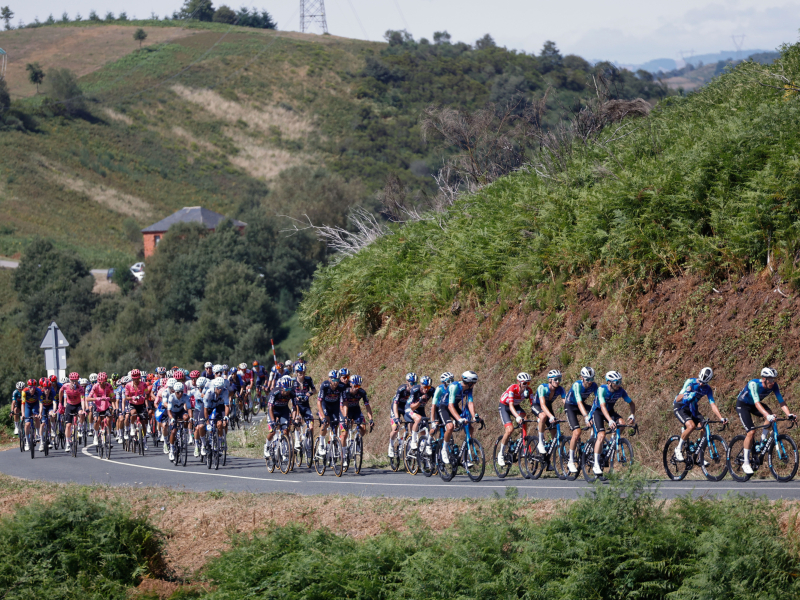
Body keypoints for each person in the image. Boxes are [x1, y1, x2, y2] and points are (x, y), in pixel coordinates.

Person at [735, 367, 796, 474]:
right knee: (751, 432)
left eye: (774, 379)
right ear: (764, 379)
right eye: (770, 379)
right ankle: (745, 462)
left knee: (772, 416)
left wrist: (789, 414)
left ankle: (762, 442)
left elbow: (781, 401)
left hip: (754, 404)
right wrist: (767, 416)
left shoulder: (774, 386)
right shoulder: (753, 384)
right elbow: (757, 402)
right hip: (743, 405)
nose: (772, 382)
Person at [673, 367, 728, 461]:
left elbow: (713, 404)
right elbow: (677, 399)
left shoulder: (707, 389)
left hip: (692, 408)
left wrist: (721, 418)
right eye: (701, 381)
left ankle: (699, 456)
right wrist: (687, 393)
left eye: (704, 383)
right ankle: (678, 449)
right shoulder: (690, 382)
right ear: (698, 376)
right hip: (680, 407)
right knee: (691, 426)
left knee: (704, 426)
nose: (701, 384)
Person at [589, 371, 636, 476]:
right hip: (598, 412)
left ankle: (612, 442)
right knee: (601, 435)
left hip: (609, 411)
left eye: (620, 381)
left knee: (622, 424)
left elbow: (631, 403)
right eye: (617, 382)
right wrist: (610, 420)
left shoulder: (620, 391)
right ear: (609, 382)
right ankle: (596, 464)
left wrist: (632, 415)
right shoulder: (602, 390)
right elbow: (602, 407)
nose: (619, 384)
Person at [439, 371, 479, 465]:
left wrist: (474, 416)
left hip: (455, 407)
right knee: (450, 427)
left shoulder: (469, 388)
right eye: (474, 383)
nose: (474, 385)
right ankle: (444, 449)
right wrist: (459, 419)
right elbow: (450, 406)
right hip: (445, 407)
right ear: (469, 382)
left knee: (470, 427)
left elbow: (470, 402)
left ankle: (465, 457)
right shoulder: (454, 386)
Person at [563, 367, 598, 474]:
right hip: (570, 406)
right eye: (587, 379)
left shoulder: (594, 385)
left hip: (581, 405)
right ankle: (571, 461)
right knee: (577, 432)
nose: (590, 382)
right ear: (582, 377)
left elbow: (598, 401)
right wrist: (586, 417)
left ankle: (592, 442)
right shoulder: (577, 385)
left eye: (592, 379)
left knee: (597, 415)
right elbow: (579, 402)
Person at [497, 373, 532, 467]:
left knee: (525, 418)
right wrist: (517, 417)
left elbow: (533, 405)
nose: (526, 385)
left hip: (516, 406)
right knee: (509, 430)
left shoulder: (528, 390)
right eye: (524, 383)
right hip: (505, 406)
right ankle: (500, 453)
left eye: (528, 383)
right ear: (519, 382)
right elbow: (511, 405)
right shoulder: (513, 388)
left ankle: (522, 441)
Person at [338, 374, 374, 467]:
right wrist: (345, 417)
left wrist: (371, 419)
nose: (357, 388)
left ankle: (356, 441)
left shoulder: (362, 392)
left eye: (359, 386)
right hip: (345, 410)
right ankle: (344, 455)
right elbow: (342, 406)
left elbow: (367, 406)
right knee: (345, 434)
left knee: (363, 427)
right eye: (355, 386)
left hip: (356, 410)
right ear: (351, 384)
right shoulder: (345, 392)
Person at [532, 370, 565, 454]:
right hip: (537, 405)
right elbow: (542, 405)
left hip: (548, 407)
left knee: (554, 432)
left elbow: (566, 403)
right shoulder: (542, 387)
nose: (558, 381)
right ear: (550, 380)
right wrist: (550, 416)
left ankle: (548, 455)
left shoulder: (560, 389)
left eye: (559, 379)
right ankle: (540, 442)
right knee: (543, 416)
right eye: (556, 379)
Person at [264, 377, 296, 459]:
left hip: (283, 410)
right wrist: (273, 421)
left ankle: (284, 451)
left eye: (289, 389)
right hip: (273, 411)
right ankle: (267, 446)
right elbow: (270, 408)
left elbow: (294, 407)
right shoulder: (275, 392)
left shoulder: (292, 393)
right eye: (286, 389)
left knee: (285, 430)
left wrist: (294, 418)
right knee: (272, 432)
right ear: (282, 387)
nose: (287, 391)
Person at [388, 372, 417, 458]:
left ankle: (407, 443)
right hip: (396, 408)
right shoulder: (401, 389)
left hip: (406, 409)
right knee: (395, 428)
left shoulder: (415, 391)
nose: (413, 385)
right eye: (412, 383)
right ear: (407, 382)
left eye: (415, 383)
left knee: (411, 424)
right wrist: (397, 418)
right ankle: (391, 445)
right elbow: (395, 404)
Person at [316, 370, 344, 456]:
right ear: (329, 379)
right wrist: (323, 416)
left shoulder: (341, 386)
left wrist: (344, 415)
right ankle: (321, 445)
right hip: (325, 406)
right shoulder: (324, 385)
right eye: (334, 380)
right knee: (326, 422)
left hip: (335, 407)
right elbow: (319, 402)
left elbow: (344, 402)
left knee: (335, 426)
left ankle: (330, 446)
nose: (336, 382)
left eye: (337, 380)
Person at [292, 363, 316, 451]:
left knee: (311, 426)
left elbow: (314, 390)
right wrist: (295, 396)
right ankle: (297, 440)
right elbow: (289, 393)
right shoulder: (293, 381)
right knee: (297, 421)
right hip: (296, 406)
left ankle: (309, 442)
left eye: (303, 372)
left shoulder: (308, 379)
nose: (302, 374)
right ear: (296, 372)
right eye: (300, 372)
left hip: (306, 406)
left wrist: (310, 393)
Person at [406, 376, 434, 450]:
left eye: (428, 387)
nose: (426, 389)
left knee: (425, 428)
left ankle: (422, 447)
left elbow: (435, 404)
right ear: (421, 385)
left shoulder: (431, 390)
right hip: (410, 408)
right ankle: (413, 441)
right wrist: (420, 401)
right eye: (425, 387)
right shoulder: (415, 390)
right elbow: (412, 407)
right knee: (418, 419)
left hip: (421, 409)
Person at [124, 369, 150, 450]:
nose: (136, 381)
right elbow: (126, 397)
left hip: (141, 404)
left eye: (137, 379)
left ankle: (144, 440)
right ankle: (132, 427)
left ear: (139, 378)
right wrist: (132, 397)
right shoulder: (128, 385)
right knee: (133, 413)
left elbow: (147, 393)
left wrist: (143, 397)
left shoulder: (144, 384)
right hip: (132, 404)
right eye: (134, 379)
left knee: (143, 422)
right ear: (132, 378)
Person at [167, 381, 192, 462]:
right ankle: (171, 449)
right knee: (173, 431)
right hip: (173, 413)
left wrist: (191, 417)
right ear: (175, 391)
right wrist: (172, 418)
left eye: (181, 391)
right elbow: (169, 410)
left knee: (186, 417)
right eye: (178, 392)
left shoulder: (185, 396)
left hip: (181, 411)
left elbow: (189, 408)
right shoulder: (171, 397)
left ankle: (184, 431)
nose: (180, 394)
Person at [89, 372, 115, 446]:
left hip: (106, 405)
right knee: (97, 420)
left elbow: (113, 398)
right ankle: (96, 435)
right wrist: (96, 398)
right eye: (100, 383)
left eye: (103, 383)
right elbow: (88, 398)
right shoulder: (95, 387)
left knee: (108, 419)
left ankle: (108, 438)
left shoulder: (109, 386)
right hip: (97, 405)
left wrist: (109, 398)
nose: (102, 384)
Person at [63, 372, 86, 453]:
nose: (74, 382)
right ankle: (67, 443)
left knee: (81, 413)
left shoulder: (80, 389)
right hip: (69, 405)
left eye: (76, 380)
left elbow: (83, 400)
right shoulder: (66, 386)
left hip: (78, 405)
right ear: (70, 380)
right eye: (72, 381)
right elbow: (60, 392)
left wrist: (83, 409)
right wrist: (60, 404)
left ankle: (79, 427)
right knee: (68, 425)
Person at [21, 378, 41, 452]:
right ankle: (27, 441)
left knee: (36, 417)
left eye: (33, 387)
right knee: (27, 424)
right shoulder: (24, 392)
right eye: (30, 387)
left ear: (35, 387)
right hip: (27, 405)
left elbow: (41, 403)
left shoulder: (38, 391)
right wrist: (23, 414)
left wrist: (39, 413)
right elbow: (22, 404)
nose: (32, 389)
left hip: (35, 404)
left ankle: (38, 433)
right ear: (28, 387)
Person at [191, 376, 208, 457]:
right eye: (199, 387)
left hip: (207, 409)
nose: (200, 389)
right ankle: (197, 445)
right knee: (198, 428)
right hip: (198, 410)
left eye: (202, 387)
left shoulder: (209, 392)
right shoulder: (194, 392)